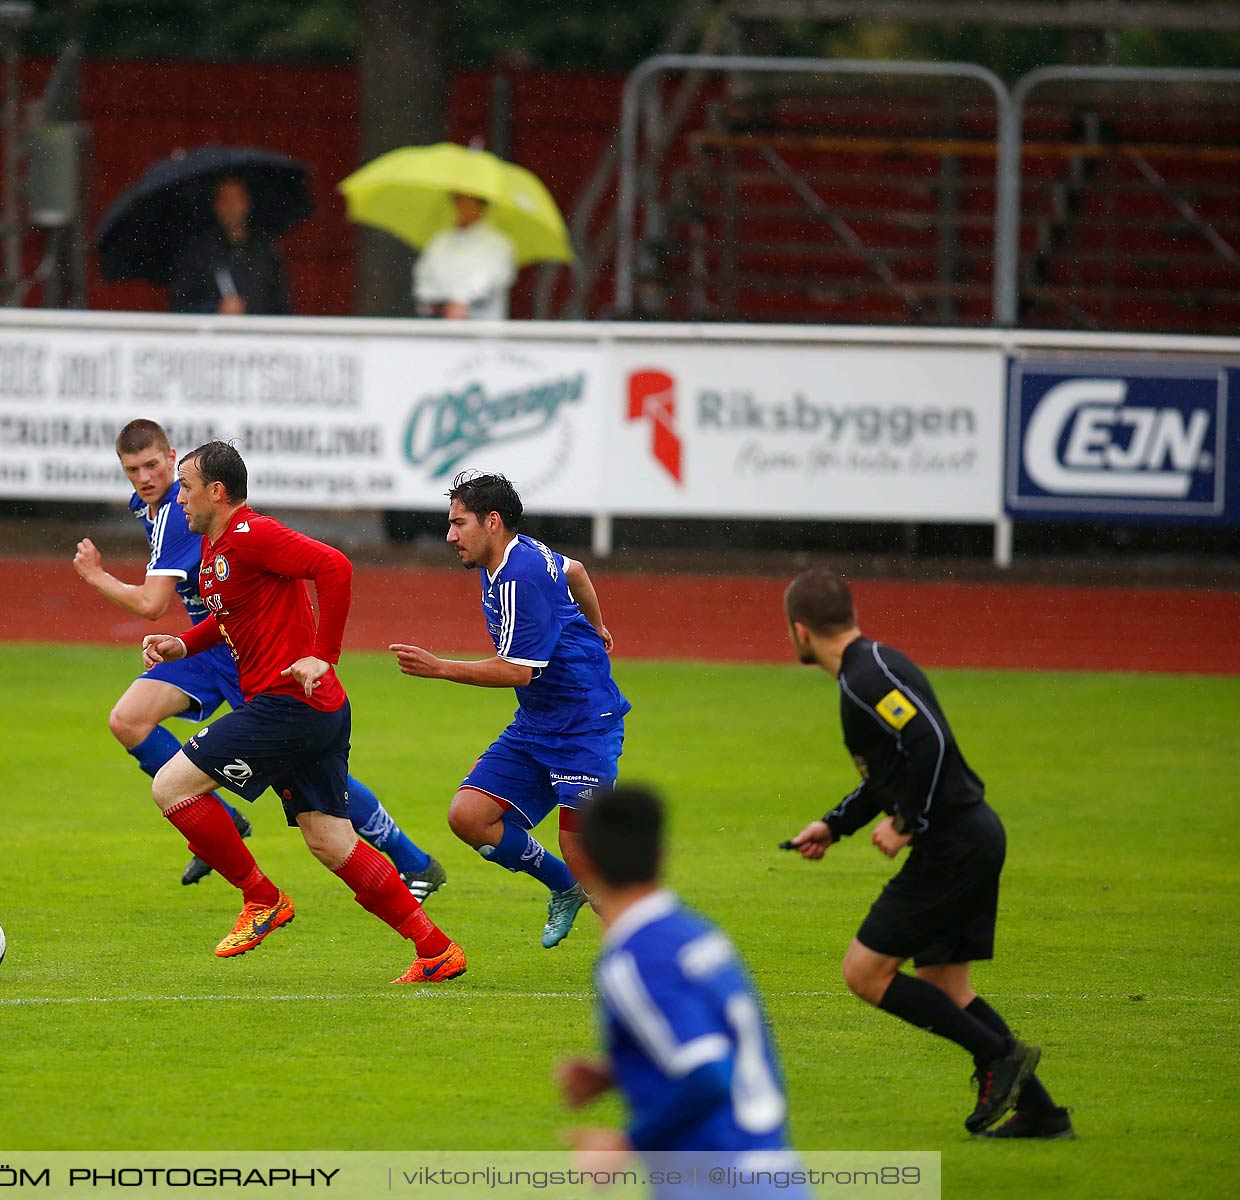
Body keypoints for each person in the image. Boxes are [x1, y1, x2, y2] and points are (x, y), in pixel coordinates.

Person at [73, 419, 446, 898]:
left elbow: (149, 604)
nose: (145, 478)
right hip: (211, 640)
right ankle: (219, 821)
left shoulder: (186, 512)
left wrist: (94, 575)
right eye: (132, 470)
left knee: (315, 778)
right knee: (128, 720)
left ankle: (409, 860)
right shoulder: (167, 509)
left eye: (153, 466)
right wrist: (184, 644)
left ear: (172, 458)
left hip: (240, 650)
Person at [140, 441, 466, 983]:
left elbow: (334, 566)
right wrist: (182, 646)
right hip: (311, 709)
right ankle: (435, 950)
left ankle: (260, 899)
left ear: (217, 492)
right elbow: (229, 618)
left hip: (287, 705)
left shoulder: (252, 533)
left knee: (172, 786)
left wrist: (324, 654)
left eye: (187, 488)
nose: (179, 499)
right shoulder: (213, 548)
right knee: (330, 840)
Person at [782, 567, 1072, 1139]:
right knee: (945, 985)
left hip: (952, 845)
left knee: (864, 972)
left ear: (800, 631)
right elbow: (895, 769)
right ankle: (1040, 1112)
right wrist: (834, 826)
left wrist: (907, 822)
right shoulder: (871, 668)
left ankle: (998, 1058)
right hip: (971, 835)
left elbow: (928, 742)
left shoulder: (866, 680)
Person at [390, 472, 630, 949]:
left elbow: (518, 671)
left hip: (583, 723)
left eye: (459, 524)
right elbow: (577, 570)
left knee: (581, 848)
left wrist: (440, 668)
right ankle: (565, 887)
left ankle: (641, 954)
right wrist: (597, 625)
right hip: (539, 723)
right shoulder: (512, 554)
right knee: (469, 816)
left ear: (492, 522)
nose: (450, 535)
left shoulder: (519, 576)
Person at [557, 785, 807, 1200]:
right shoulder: (697, 934)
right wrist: (620, 1072)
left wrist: (624, 1146)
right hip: (774, 1172)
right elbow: (721, 1044)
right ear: (662, 856)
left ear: (583, 863)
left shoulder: (635, 959)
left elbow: (708, 1073)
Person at [169, 176, 292, 316]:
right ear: (216, 205)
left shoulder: (265, 250)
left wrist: (251, 311)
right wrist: (215, 310)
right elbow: (181, 305)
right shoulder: (199, 251)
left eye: (236, 199)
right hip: (211, 335)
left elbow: (282, 305)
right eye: (225, 200)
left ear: (247, 203)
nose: (231, 206)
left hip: (257, 335)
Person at [412, 192, 516, 320]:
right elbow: (423, 276)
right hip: (440, 323)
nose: (464, 208)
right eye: (460, 201)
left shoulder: (498, 243)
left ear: (482, 206)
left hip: (482, 327)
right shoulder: (440, 241)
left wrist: (461, 300)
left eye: (470, 202)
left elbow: (493, 278)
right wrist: (438, 302)